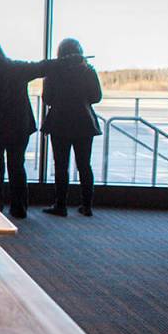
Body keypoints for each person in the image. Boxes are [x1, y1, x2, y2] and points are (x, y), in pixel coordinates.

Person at [0, 39, 66, 219]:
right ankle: (19, 208)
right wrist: (67, 60)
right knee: (17, 166)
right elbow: (41, 67)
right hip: (17, 127)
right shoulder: (15, 69)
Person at [42, 38, 101, 217]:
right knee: (84, 165)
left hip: (60, 122)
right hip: (84, 123)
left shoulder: (54, 72)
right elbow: (96, 97)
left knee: (61, 165)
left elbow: (47, 99)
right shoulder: (88, 70)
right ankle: (87, 205)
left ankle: (60, 205)